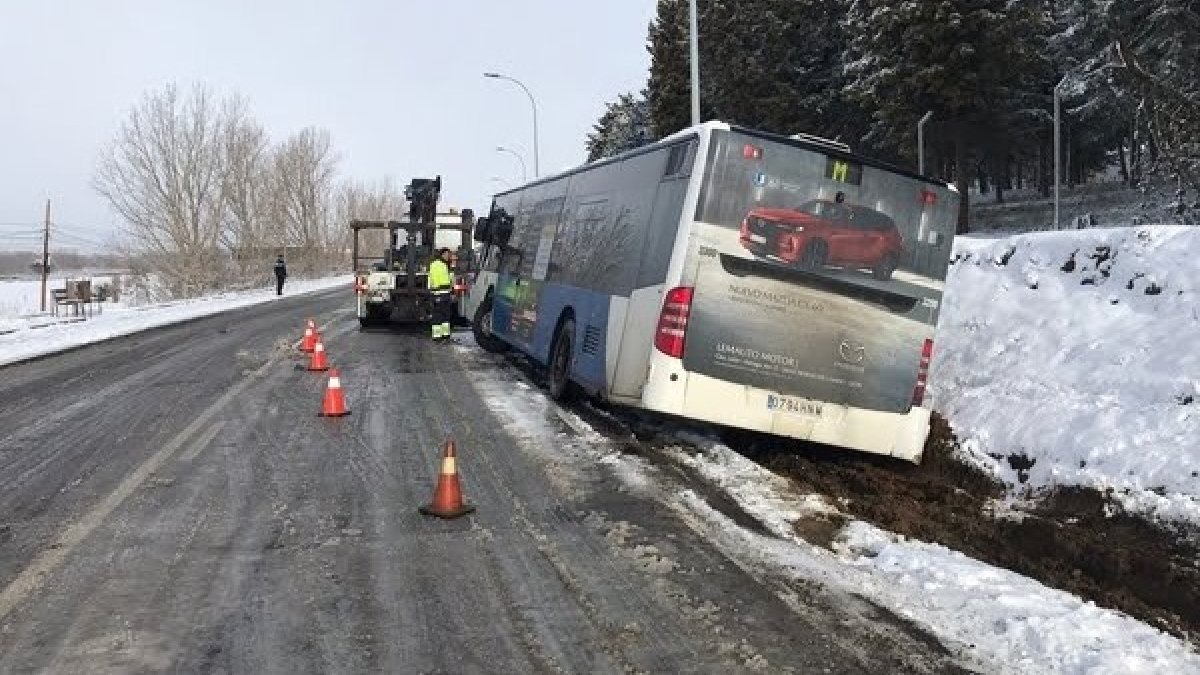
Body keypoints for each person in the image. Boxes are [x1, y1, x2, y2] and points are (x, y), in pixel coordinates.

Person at [427, 247, 454, 341]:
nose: (448, 256)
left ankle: (445, 335)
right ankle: (437, 336)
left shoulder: (446, 264)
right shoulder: (436, 264)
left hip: (446, 293)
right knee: (438, 315)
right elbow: (433, 279)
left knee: (446, 315)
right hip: (438, 293)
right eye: (447, 254)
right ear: (442, 254)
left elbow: (449, 279)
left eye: (449, 255)